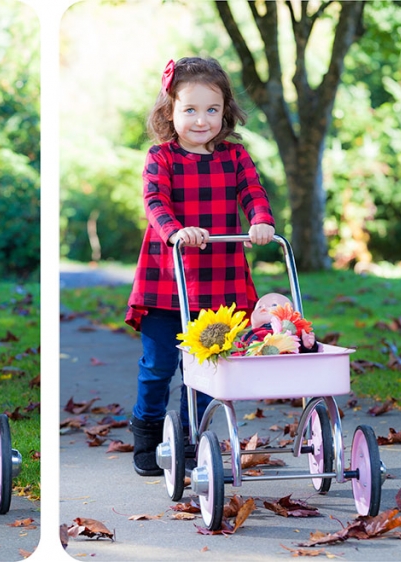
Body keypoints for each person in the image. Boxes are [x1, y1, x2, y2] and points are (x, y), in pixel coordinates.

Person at [125, 57, 276, 476]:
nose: (201, 120)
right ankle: (149, 432)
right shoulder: (162, 158)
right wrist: (175, 230)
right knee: (158, 366)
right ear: (169, 111)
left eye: (211, 109)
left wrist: (260, 219)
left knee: (211, 367)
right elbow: (155, 201)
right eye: (189, 109)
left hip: (219, 281)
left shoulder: (235, 157)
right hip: (166, 279)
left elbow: (253, 193)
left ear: (225, 110)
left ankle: (197, 440)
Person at [243, 292, 317, 353]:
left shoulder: (290, 334)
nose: (264, 307)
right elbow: (237, 351)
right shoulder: (247, 335)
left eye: (273, 305)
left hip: (288, 365)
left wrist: (307, 346)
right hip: (255, 366)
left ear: (289, 315)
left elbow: (304, 356)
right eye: (259, 307)